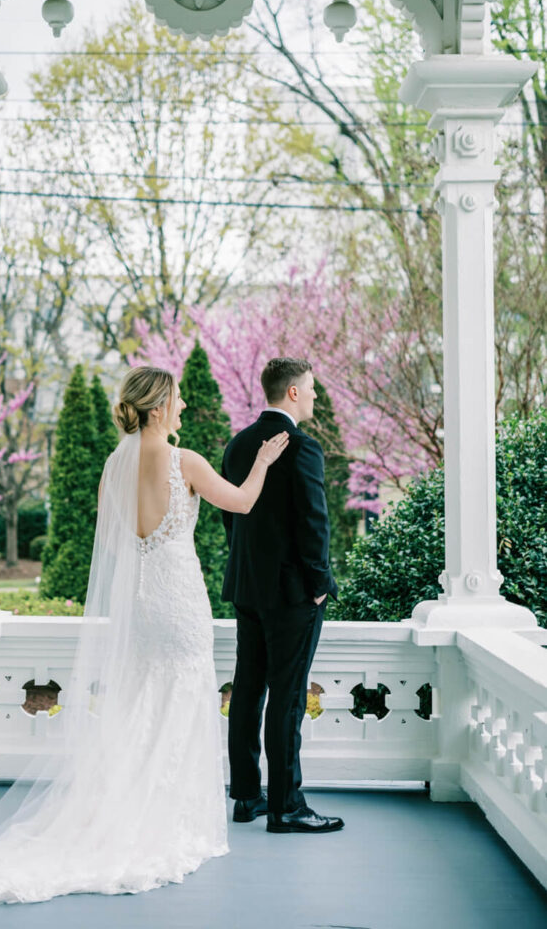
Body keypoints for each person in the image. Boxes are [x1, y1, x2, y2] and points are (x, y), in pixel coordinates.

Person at [0, 366, 288, 910]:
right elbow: (244, 502)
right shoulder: (185, 461)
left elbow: (112, 546)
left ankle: (124, 806)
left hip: (140, 601)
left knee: (140, 701)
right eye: (177, 401)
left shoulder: (114, 465)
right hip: (179, 599)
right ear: (158, 408)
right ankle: (164, 818)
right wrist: (264, 462)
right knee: (177, 700)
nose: (183, 408)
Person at [221, 357, 343, 834]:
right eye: (311, 389)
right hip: (293, 594)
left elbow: (231, 517)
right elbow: (314, 523)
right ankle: (287, 806)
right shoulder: (302, 447)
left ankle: (248, 796)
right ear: (292, 392)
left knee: (248, 691)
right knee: (288, 697)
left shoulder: (238, 444)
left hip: (247, 588)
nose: (315, 396)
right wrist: (319, 585)